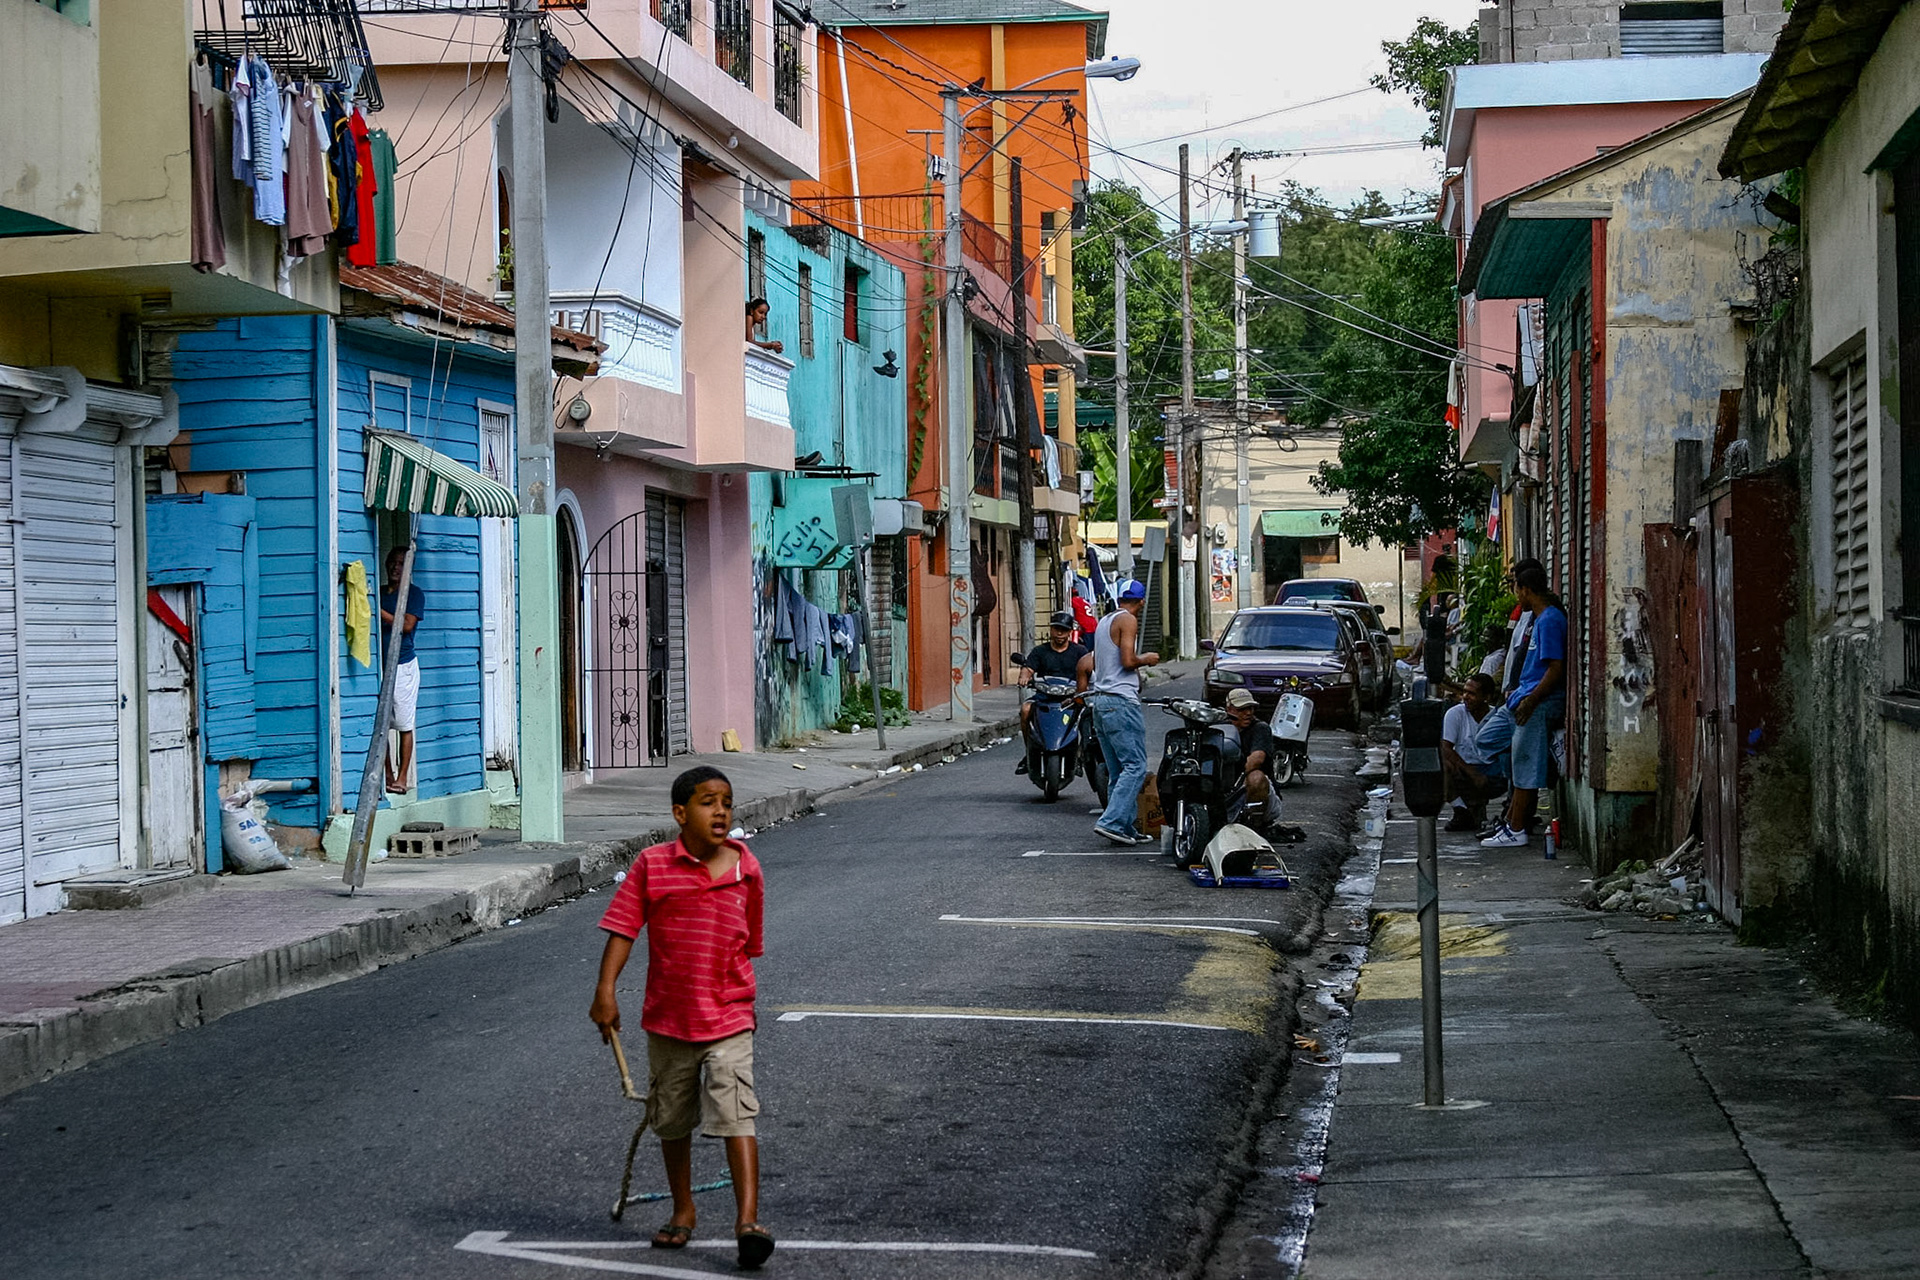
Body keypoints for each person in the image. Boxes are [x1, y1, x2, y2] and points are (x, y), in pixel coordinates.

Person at [589, 766, 775, 1270]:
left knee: (737, 1113)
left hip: (729, 1016)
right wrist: (605, 991)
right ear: (680, 813)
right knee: (671, 1121)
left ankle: (748, 1221)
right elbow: (624, 927)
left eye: (727, 803)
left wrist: (738, 999)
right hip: (669, 1020)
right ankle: (683, 1208)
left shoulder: (746, 869)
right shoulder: (652, 865)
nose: (721, 812)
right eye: (707, 802)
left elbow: (749, 943)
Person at [1479, 563, 1567, 848]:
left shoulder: (1550, 619)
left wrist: (1532, 699)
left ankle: (1516, 828)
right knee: (1487, 739)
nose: (1515, 595)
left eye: (1516, 589)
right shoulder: (1536, 619)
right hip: (1520, 696)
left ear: (1526, 590)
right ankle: (1515, 811)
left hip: (1537, 701)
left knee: (1525, 766)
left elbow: (1555, 668)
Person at [1085, 578, 1160, 845]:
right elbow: (1128, 661)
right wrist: (1146, 659)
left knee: (1118, 771)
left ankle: (1125, 826)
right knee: (1135, 766)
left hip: (1101, 701)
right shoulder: (1128, 620)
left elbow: (1098, 662)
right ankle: (1112, 822)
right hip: (1120, 702)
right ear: (1142, 601)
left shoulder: (1104, 621)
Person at [1015, 610, 1091, 773]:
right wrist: (1024, 677)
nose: (1059, 633)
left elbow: (1089, 669)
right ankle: (1029, 754)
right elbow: (1028, 668)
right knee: (1026, 710)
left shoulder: (1080, 652)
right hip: (1044, 697)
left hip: (1073, 699)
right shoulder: (1040, 651)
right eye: (1056, 629)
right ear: (1051, 629)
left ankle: (1080, 755)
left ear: (1070, 632)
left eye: (1064, 630)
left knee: (1088, 716)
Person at [379, 547, 424, 794]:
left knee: (404, 722)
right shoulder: (381, 593)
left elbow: (406, 625)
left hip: (403, 665)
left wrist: (376, 611)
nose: (396, 567)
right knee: (382, 724)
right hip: (380, 665)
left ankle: (402, 777)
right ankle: (387, 773)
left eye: (401, 564)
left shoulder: (414, 594)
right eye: (392, 562)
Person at [1442, 672, 1508, 832]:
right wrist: (1472, 773)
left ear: (1486, 697)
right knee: (1441, 765)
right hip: (1465, 769)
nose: (1465, 697)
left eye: (1472, 693)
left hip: (1493, 772)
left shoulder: (1497, 716)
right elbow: (1445, 748)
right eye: (1465, 692)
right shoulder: (1456, 713)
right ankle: (1461, 810)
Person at [1221, 687, 1275, 831]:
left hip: (1255, 792)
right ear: (1229, 709)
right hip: (1226, 792)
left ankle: (1255, 826)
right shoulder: (1220, 728)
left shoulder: (1260, 728)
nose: (1248, 713)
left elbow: (1256, 760)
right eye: (1242, 709)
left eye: (1250, 708)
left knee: (1256, 777)